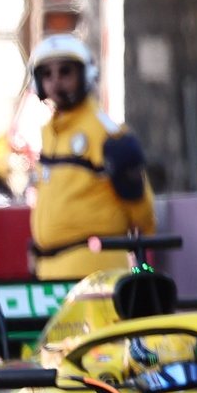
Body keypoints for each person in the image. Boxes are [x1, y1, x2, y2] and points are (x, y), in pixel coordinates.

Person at [25, 34, 157, 280]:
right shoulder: (52, 134)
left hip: (94, 272)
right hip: (50, 271)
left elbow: (142, 209)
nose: (56, 82)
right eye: (47, 74)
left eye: (65, 72)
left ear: (84, 75)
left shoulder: (106, 134)